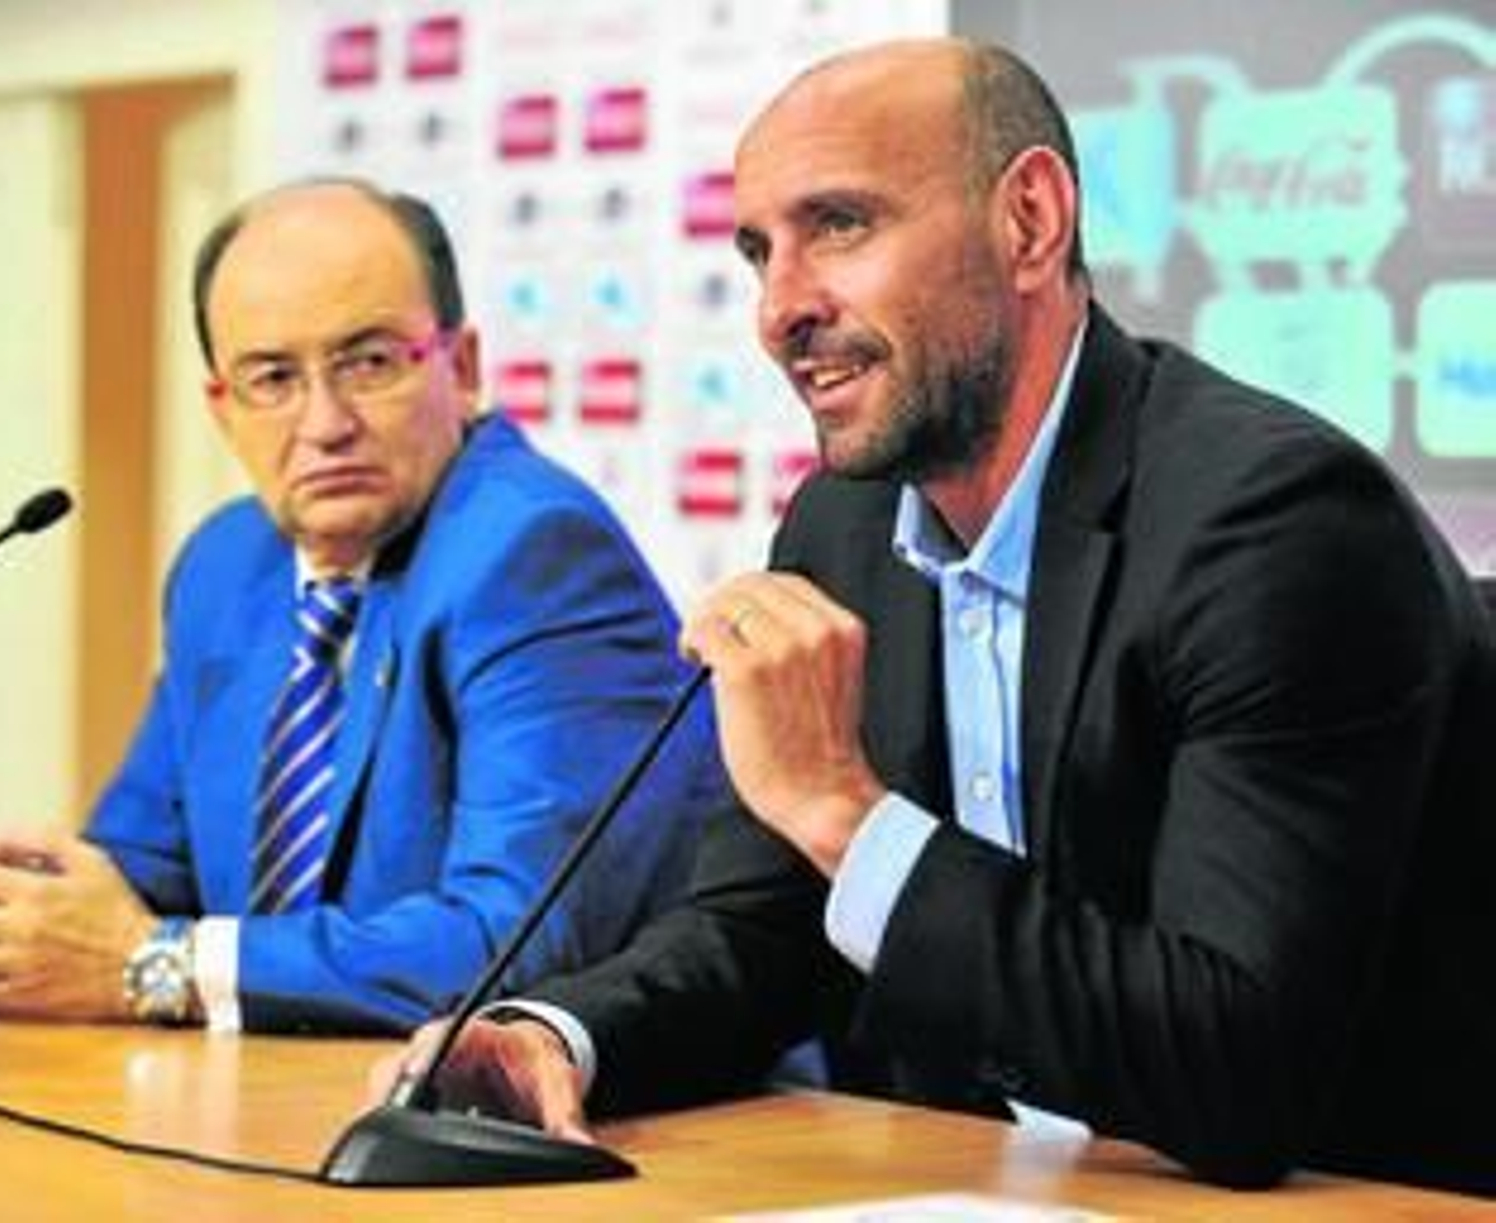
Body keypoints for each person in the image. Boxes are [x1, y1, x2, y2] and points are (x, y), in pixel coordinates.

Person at [377, 39, 1496, 1194]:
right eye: (760, 250)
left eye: (840, 226)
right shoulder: (843, 528)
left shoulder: (1275, 525)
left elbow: (1239, 1068)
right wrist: (557, 1036)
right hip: (985, 1185)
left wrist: (843, 814)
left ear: (1028, 221)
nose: (778, 310)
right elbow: (758, 934)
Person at [0, 179, 719, 1034]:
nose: (324, 422)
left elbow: (510, 943)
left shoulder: (532, 553)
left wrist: (158, 965)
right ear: (223, 407)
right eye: (273, 377)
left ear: (462, 368)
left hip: (621, 1125)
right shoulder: (226, 566)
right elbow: (142, 869)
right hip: (287, 1100)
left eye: (368, 362)